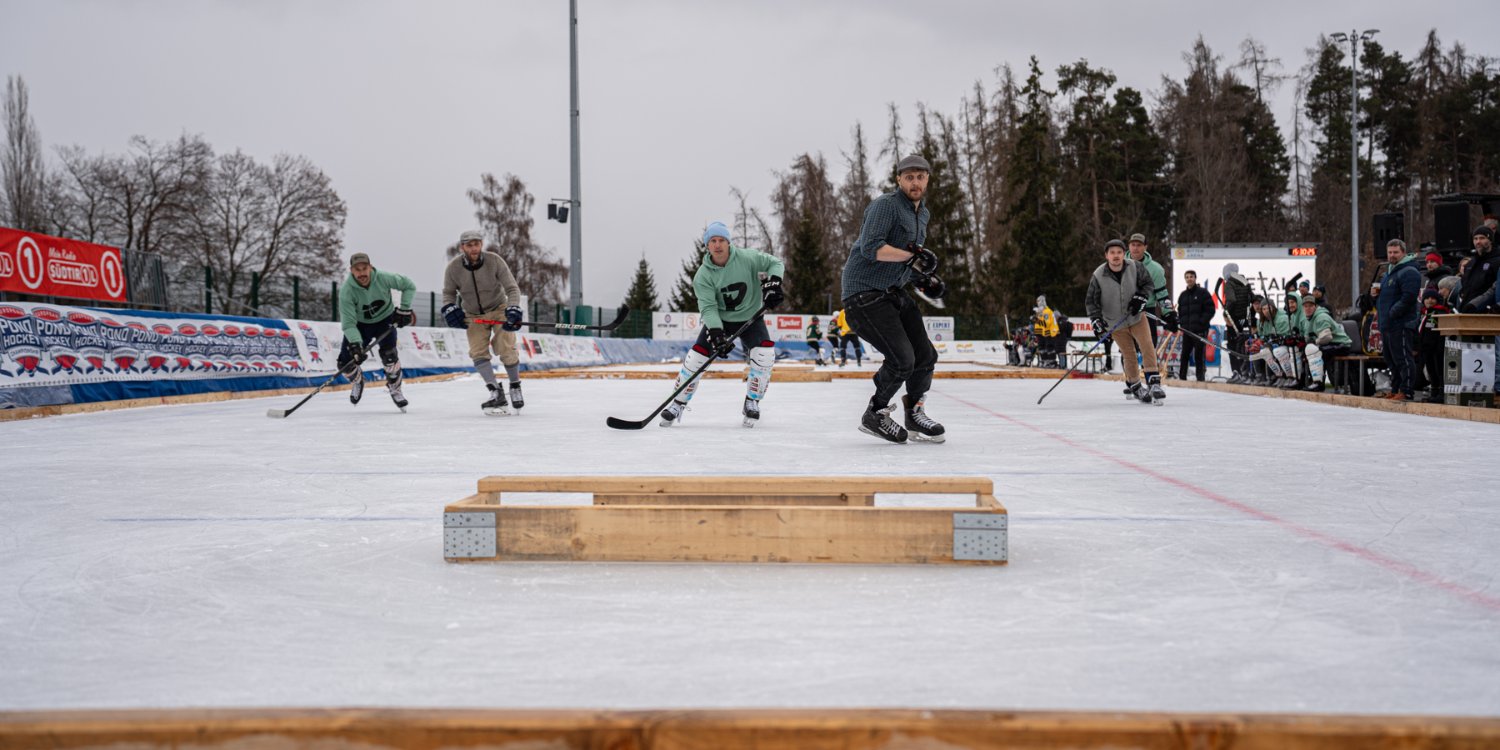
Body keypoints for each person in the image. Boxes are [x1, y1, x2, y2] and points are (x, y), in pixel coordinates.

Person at [840, 154, 947, 443]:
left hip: (893, 292)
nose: (915, 182)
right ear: (899, 179)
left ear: (927, 179)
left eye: (920, 177)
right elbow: (872, 248)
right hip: (863, 293)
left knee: (925, 356)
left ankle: (914, 414)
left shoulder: (922, 214)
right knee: (902, 360)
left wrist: (924, 280)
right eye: (909, 177)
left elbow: (903, 260)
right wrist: (913, 258)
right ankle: (875, 413)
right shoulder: (885, 205)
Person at [659, 221, 784, 428]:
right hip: (720, 320)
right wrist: (716, 333)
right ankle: (677, 403)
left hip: (751, 318)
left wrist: (774, 284)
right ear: (707, 245)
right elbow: (708, 308)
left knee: (764, 355)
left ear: (728, 242)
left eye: (722, 240)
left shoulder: (748, 258)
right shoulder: (703, 276)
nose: (717, 245)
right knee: (696, 357)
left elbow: (776, 263)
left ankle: (752, 401)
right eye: (713, 241)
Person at [441, 230, 525, 415]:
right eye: (469, 245)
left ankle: (515, 386)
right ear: (462, 247)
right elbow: (448, 293)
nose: (474, 248)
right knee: (477, 352)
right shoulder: (453, 268)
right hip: (473, 314)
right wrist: (449, 308)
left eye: (477, 244)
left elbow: (512, 288)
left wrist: (513, 308)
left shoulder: (494, 261)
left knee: (506, 346)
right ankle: (495, 391)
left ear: (481, 244)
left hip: (498, 309)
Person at [1086, 239, 1164, 404]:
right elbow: (1091, 301)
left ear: (1124, 254)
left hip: (1136, 317)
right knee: (1129, 354)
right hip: (1114, 322)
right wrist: (1096, 320)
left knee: (1147, 345)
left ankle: (1154, 382)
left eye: (1119, 252)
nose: (1116, 256)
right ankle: (1135, 385)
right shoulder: (1098, 275)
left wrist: (1141, 297)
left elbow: (1148, 284)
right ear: (1106, 255)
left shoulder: (1135, 266)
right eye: (1112, 253)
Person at [337, 252, 416, 410]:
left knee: (390, 357)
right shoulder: (347, 291)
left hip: (385, 320)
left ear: (370, 267)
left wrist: (404, 310)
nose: (362, 273)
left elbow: (409, 285)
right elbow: (349, 323)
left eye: (364, 268)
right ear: (351, 271)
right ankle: (357, 381)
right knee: (345, 363)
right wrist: (356, 344)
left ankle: (395, 389)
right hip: (360, 325)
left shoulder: (383, 278)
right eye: (357, 269)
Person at [1376, 239, 1422, 402]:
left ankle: (1406, 390)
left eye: (1395, 252)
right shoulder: (1388, 273)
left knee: (1403, 358)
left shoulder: (1409, 271)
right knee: (1391, 360)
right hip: (1387, 324)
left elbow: (1409, 297)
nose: (1392, 255)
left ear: (1403, 253)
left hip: (1400, 323)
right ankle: (1395, 389)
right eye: (1390, 252)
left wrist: (1393, 312)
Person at [1126, 233, 1176, 346]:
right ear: (1129, 246)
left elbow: (1162, 294)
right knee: (1128, 351)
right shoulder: (1119, 265)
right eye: (1133, 245)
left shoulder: (1156, 269)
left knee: (1149, 349)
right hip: (1125, 312)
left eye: (1139, 245)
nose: (1135, 248)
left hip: (1147, 312)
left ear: (1145, 247)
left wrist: (1169, 314)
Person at [1299, 293, 1353, 392]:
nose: (1308, 308)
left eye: (1310, 306)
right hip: (1330, 344)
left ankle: (1318, 383)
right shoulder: (1307, 319)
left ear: (1315, 306)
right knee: (1308, 351)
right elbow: (1308, 337)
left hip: (1342, 344)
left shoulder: (1321, 317)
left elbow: (1327, 337)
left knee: (1315, 351)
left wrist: (1314, 341)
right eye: (1306, 306)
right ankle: (1314, 381)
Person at [1415, 289, 1453, 402]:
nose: (1429, 300)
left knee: (1439, 370)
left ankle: (1442, 393)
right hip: (1426, 348)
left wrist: (1439, 346)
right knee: (1431, 370)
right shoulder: (1425, 313)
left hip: (1437, 348)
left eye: (1433, 298)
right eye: (1427, 298)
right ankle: (1434, 392)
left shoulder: (1440, 312)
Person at [1175, 269, 1213, 381]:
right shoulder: (1183, 295)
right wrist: (1181, 323)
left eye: (1191, 276)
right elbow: (1180, 311)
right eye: (1187, 277)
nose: (1189, 279)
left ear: (1195, 278)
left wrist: (1201, 322)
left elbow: (1210, 310)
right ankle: (1182, 378)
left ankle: (1200, 379)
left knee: (1199, 356)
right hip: (1187, 331)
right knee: (1184, 355)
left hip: (1200, 330)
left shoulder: (1203, 293)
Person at [1221, 263, 1253, 383]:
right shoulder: (1244, 281)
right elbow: (1251, 297)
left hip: (1233, 320)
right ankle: (1245, 373)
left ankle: (1236, 372)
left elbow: (1232, 300)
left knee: (1232, 347)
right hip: (1244, 320)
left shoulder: (1229, 283)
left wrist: (1226, 313)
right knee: (1243, 347)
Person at [1460, 226, 1499, 310]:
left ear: (1490, 240)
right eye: (1475, 239)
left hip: (1488, 311)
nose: (1478, 242)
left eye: (1482, 238)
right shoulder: (1470, 263)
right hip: (1468, 309)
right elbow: (1464, 286)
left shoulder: (1497, 261)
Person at [1031, 295, 1061, 367]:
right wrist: (1035, 319)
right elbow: (1040, 323)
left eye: (1038, 301)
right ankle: (1045, 361)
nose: (1037, 303)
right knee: (1042, 347)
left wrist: (1037, 320)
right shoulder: (1041, 311)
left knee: (1049, 347)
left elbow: (1046, 323)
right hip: (1044, 332)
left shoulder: (1046, 311)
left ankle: (1052, 362)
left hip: (1050, 331)